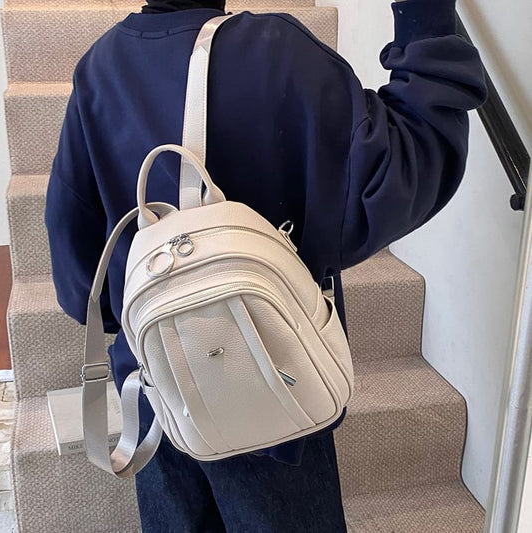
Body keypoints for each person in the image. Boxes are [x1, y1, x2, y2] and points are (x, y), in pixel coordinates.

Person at [44, 0, 487, 530]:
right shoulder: (278, 53)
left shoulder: (98, 70)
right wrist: (424, 18)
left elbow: (78, 275)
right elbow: (402, 172)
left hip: (158, 389)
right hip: (273, 390)